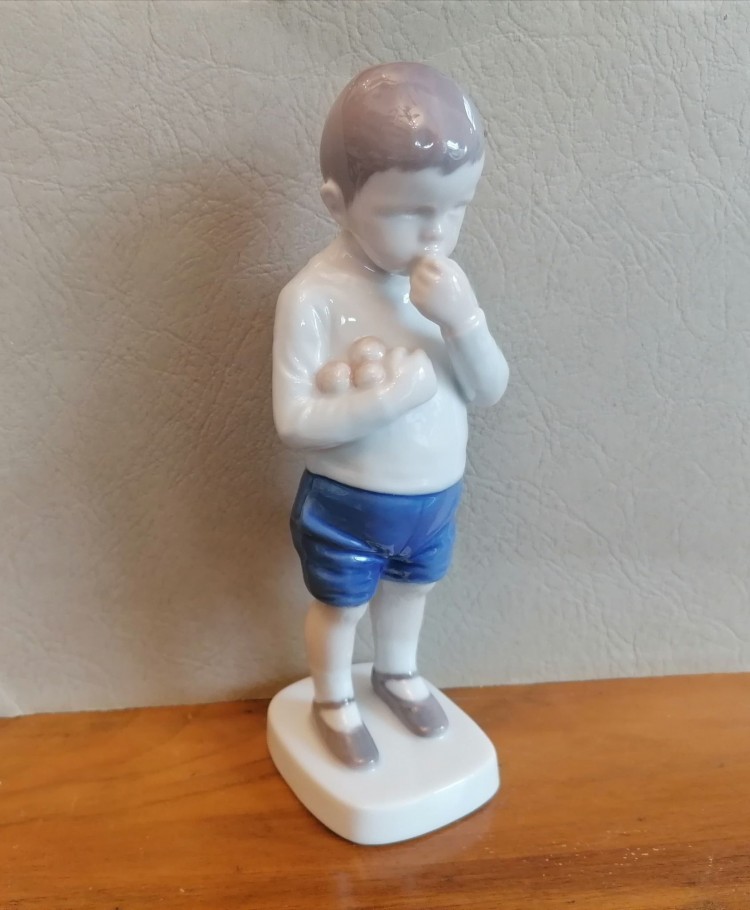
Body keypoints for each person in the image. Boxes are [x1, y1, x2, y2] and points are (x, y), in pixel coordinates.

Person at [273, 62, 509, 769]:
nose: (436, 235)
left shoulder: (444, 289)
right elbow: (294, 421)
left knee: (413, 590)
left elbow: (489, 388)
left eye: (457, 208)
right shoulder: (312, 298)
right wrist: (389, 400)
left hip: (434, 499)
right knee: (342, 605)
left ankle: (398, 672)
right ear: (337, 203)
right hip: (348, 504)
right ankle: (332, 699)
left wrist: (463, 320)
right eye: (408, 212)